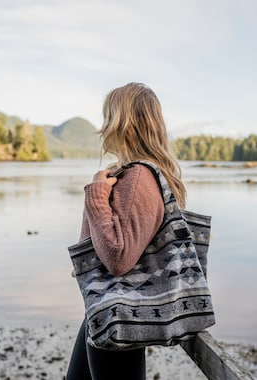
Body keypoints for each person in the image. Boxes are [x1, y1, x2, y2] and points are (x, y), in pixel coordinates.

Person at [65, 82, 187, 380]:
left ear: (123, 123)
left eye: (108, 116)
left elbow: (119, 258)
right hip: (110, 306)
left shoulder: (138, 178)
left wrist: (96, 193)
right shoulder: (133, 174)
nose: (102, 126)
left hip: (120, 309)